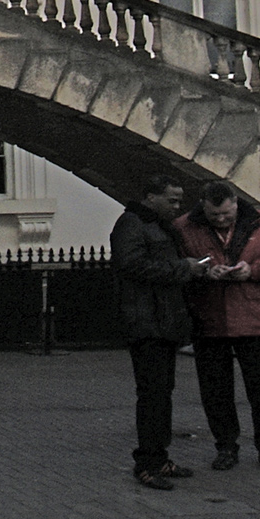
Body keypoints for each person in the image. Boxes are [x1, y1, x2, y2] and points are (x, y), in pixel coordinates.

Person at [173, 180, 260, 473]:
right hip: (210, 319)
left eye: (226, 215)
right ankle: (226, 446)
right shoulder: (183, 227)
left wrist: (253, 270)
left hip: (254, 318)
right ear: (202, 206)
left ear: (236, 203)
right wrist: (203, 272)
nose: (220, 220)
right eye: (214, 215)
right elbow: (177, 265)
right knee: (216, 391)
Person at [111, 174, 205, 490]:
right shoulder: (132, 224)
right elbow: (130, 265)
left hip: (164, 322)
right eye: (172, 199)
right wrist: (183, 269)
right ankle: (147, 463)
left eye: (180, 200)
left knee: (162, 394)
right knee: (152, 395)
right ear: (152, 197)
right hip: (146, 323)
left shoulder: (159, 226)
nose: (177, 206)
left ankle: (159, 457)